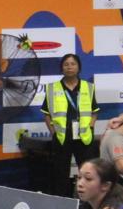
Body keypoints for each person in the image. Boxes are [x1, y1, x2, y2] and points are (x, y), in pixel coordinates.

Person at [41, 53, 98, 199]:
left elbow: (94, 111)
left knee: (88, 173)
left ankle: (88, 206)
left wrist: (90, 127)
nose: (69, 67)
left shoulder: (88, 87)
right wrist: (53, 132)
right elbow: (46, 114)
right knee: (60, 174)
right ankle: (63, 204)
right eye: (66, 64)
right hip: (62, 137)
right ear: (62, 68)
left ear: (78, 67)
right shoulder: (52, 88)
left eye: (73, 64)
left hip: (84, 136)